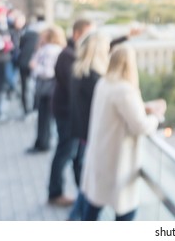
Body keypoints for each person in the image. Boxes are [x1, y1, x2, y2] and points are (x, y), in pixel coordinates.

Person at [80, 45, 166, 221]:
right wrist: (156, 117)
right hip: (117, 160)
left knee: (94, 204)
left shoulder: (104, 83)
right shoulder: (125, 90)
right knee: (126, 211)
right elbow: (140, 126)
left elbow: (119, 112)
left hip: (101, 155)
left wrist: (144, 107)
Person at [47, 19, 94, 207]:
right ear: (77, 34)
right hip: (66, 113)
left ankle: (83, 194)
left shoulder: (73, 53)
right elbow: (75, 86)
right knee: (65, 152)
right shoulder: (67, 56)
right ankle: (55, 193)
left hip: (72, 113)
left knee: (76, 155)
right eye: (87, 35)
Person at [26, 25, 66, 154]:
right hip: (49, 87)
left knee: (45, 117)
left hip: (47, 87)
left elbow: (48, 72)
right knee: (45, 117)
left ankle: (43, 143)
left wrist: (34, 67)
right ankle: (42, 142)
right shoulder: (56, 50)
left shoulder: (49, 50)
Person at [17, 17, 46, 117]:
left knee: (24, 87)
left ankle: (26, 109)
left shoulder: (26, 34)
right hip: (33, 63)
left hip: (24, 62)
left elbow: (20, 47)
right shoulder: (39, 37)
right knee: (36, 86)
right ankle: (35, 108)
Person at [6, 11, 26, 99]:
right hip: (10, 56)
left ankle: (12, 91)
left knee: (15, 76)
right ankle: (12, 89)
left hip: (20, 56)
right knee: (9, 77)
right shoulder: (9, 30)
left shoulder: (25, 31)